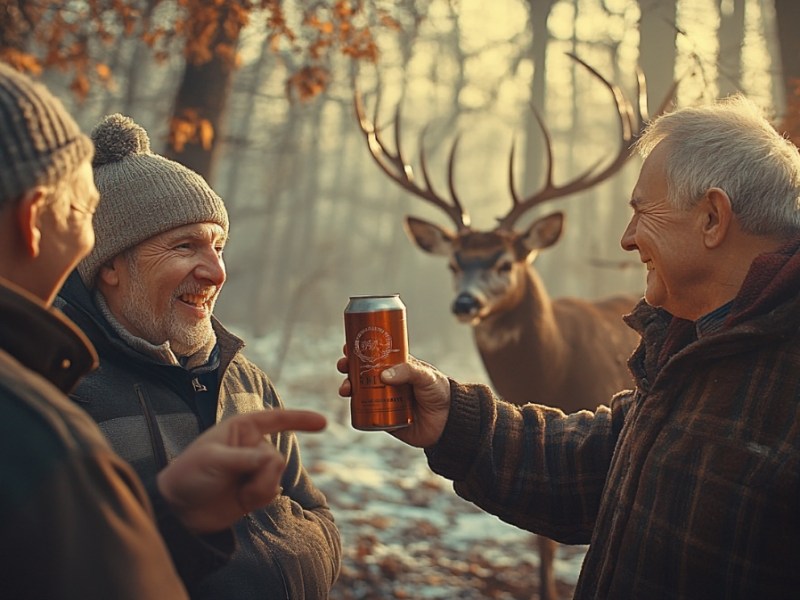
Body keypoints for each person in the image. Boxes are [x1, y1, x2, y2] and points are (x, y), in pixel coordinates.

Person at [338, 94, 800, 598]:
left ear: (712, 217)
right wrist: (453, 418)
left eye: (643, 212)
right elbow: (606, 465)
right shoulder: (691, 344)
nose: (626, 238)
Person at [0, 63, 328, 600]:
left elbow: (314, 512)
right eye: (184, 246)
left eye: (218, 246)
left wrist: (291, 557)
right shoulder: (55, 395)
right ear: (108, 263)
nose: (216, 271)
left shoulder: (245, 380)